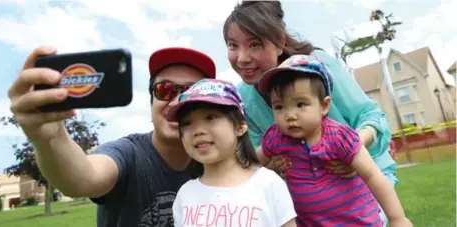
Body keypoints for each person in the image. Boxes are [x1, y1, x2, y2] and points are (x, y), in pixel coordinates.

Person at [222, 1, 397, 225]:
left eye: (255, 44)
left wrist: (353, 151)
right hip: (312, 209)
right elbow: (255, 158)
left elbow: (371, 116)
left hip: (362, 194)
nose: (242, 58)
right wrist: (271, 166)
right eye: (233, 45)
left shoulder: (318, 66)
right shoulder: (244, 97)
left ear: (279, 43)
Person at [7, 46, 216, 227]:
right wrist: (50, 139)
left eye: (191, 91)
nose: (177, 101)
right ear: (151, 100)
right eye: (165, 89)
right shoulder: (128, 154)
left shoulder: (213, 163)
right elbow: (83, 178)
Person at [256, 54, 412, 227]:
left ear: (324, 106)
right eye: (279, 106)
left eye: (300, 104)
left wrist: (398, 219)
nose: (289, 115)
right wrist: (270, 168)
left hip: (358, 222)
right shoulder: (276, 137)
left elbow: (373, 176)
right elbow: (252, 164)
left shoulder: (339, 137)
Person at [166, 78, 297, 227]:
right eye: (187, 123)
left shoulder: (269, 184)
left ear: (241, 126)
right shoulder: (185, 194)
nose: (198, 131)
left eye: (211, 117)